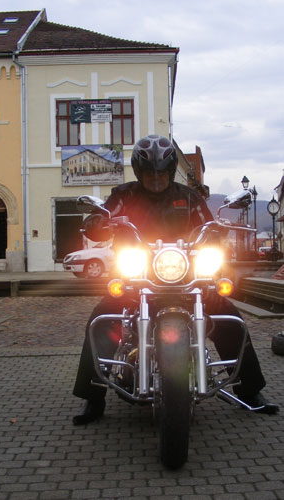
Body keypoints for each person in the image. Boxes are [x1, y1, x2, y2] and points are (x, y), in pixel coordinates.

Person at [73, 134, 279, 425]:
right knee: (102, 319)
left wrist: (216, 231)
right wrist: (98, 221)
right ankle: (92, 397)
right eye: (149, 173)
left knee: (229, 317)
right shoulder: (124, 196)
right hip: (137, 279)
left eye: (161, 172)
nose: (156, 178)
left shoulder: (188, 196)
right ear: (140, 173)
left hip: (188, 278)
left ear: (170, 172)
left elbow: (209, 226)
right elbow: (99, 221)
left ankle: (250, 391)